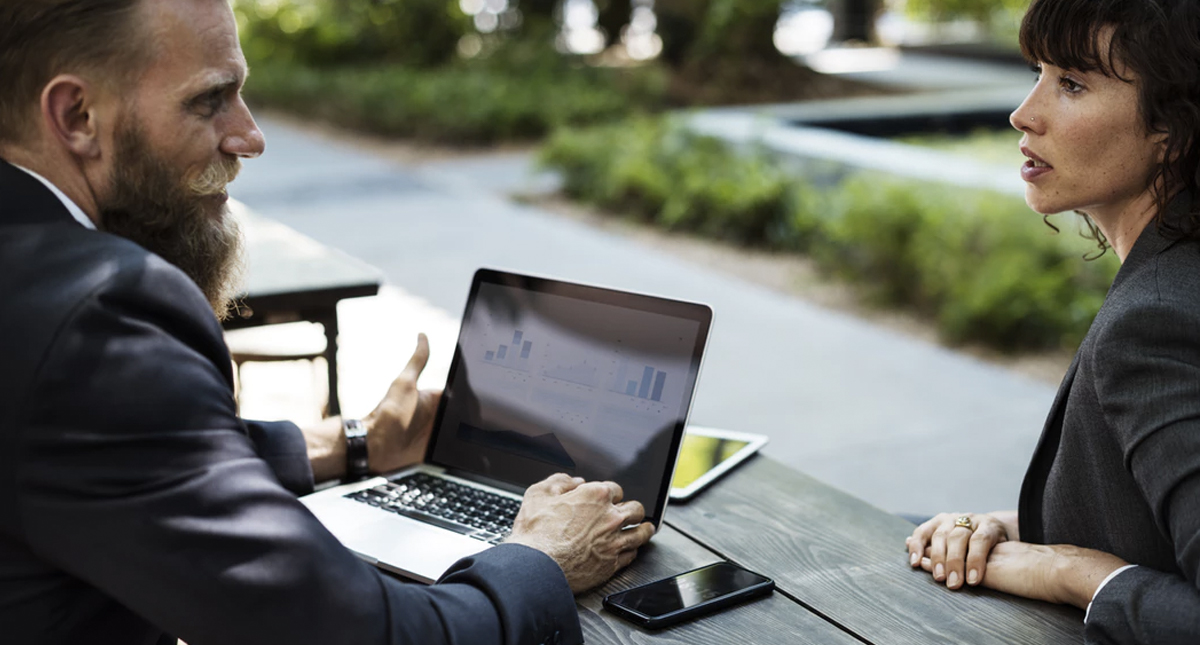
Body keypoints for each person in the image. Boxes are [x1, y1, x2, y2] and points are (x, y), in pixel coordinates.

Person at [0, 1, 655, 644]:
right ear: (77, 115)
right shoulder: (100, 315)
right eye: (209, 100)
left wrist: (355, 442)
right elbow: (359, 630)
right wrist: (538, 554)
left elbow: (117, 457)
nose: (249, 137)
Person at [904, 0, 1200, 642]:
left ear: (1172, 131)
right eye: (1039, 71)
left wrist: (1076, 574)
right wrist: (1012, 530)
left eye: (1071, 83)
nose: (1024, 113)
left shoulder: (1154, 322)